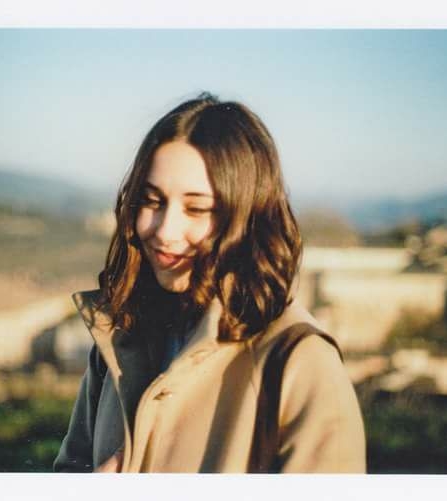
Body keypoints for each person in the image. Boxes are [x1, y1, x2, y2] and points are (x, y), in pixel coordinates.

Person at [53, 93, 366, 473]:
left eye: (197, 209)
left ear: (248, 215)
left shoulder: (300, 362)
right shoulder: (119, 337)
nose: (166, 231)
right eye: (152, 201)